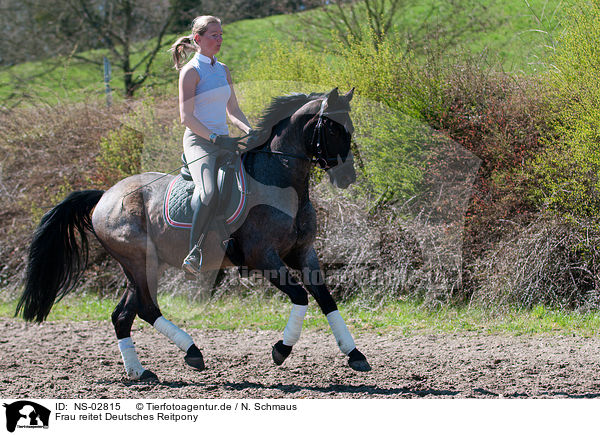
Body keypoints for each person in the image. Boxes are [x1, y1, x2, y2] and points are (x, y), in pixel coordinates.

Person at [170, 15, 252, 275]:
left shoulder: (223, 69)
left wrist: (251, 130)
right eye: (213, 35)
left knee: (252, 182)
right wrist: (215, 138)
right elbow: (187, 117)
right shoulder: (191, 72)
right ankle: (194, 252)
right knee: (207, 193)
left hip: (224, 140)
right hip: (199, 143)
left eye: (221, 35)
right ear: (198, 39)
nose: (219, 39)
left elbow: (234, 109)